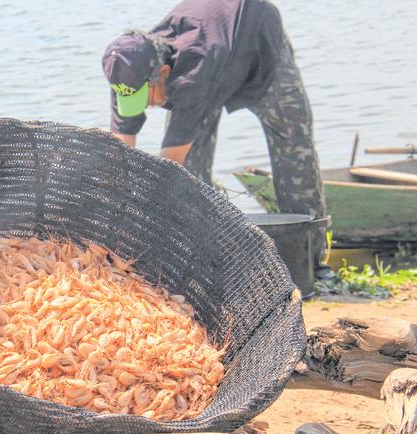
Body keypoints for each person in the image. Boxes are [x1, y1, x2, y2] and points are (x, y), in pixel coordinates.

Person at [101, 0, 333, 279]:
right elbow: (120, 156)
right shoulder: (128, 69)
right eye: (132, 100)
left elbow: (170, 166)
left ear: (163, 73)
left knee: (294, 147)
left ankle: (312, 260)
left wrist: (147, 218)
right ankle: (198, 258)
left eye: (147, 98)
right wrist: (118, 210)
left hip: (257, 42)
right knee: (191, 174)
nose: (145, 106)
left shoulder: (193, 75)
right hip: (213, 54)